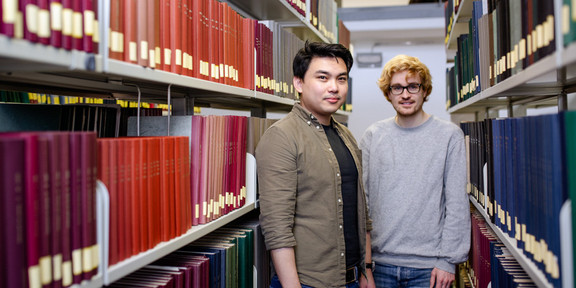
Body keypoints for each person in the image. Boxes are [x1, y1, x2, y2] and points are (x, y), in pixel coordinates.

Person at [255, 41, 375, 288]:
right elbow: (277, 227)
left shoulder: (346, 135)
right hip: (309, 283)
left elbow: (361, 212)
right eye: (323, 77)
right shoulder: (282, 136)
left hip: (354, 277)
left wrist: (366, 272)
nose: (334, 88)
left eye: (341, 79)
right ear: (298, 83)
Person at [359, 54, 470, 288]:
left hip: (431, 269)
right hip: (380, 266)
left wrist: (449, 261)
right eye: (397, 88)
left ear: (425, 90)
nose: (405, 94)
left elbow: (457, 204)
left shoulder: (449, 136)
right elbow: (363, 203)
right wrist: (365, 265)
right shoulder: (372, 136)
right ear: (388, 93)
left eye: (412, 86)